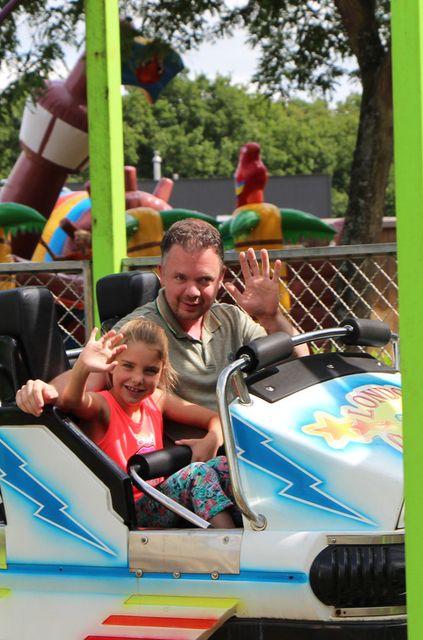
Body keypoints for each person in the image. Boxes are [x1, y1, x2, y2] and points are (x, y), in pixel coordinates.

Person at [16, 218, 308, 413]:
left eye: (204, 280)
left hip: (243, 450)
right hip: (186, 465)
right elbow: (88, 378)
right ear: (162, 274)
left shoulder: (232, 319)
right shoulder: (139, 329)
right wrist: (44, 390)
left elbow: (299, 364)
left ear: (220, 279)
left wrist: (271, 317)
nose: (192, 292)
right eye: (180, 278)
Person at [56, 319, 236, 528]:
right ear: (111, 367)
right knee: (197, 474)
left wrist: (212, 439)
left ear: (161, 371)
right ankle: (230, 542)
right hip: (127, 511)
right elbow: (71, 402)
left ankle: (252, 529)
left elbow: (216, 418)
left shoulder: (157, 400)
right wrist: (82, 368)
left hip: (157, 499)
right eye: (128, 366)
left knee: (223, 465)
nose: (138, 379)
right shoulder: (103, 406)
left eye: (150, 371)